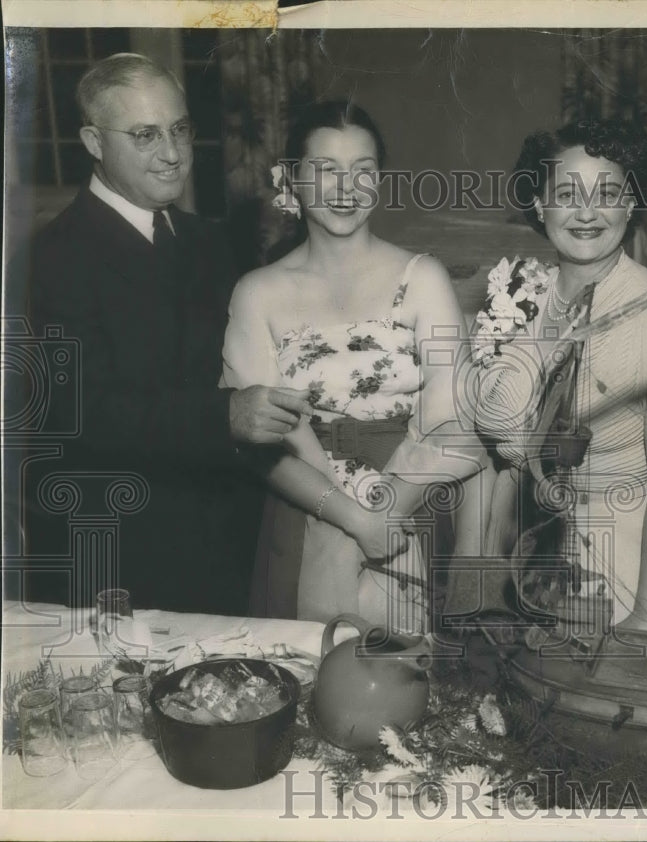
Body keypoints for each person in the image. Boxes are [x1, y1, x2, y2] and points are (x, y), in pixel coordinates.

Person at [20, 53, 310, 615]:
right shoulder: (48, 259)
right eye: (146, 136)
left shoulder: (209, 239)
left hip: (222, 546)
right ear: (93, 141)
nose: (174, 154)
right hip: (118, 560)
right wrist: (222, 415)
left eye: (179, 129)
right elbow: (82, 412)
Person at [222, 100, 485, 629]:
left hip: (410, 511)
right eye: (325, 170)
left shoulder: (423, 277)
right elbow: (252, 440)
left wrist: (384, 514)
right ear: (291, 179)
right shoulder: (258, 292)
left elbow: (454, 422)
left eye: (362, 171)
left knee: (410, 690)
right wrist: (351, 517)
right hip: (305, 512)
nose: (346, 189)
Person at [463, 119, 647, 631]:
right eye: (567, 193)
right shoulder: (523, 295)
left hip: (616, 573)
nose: (587, 212)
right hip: (520, 562)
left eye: (609, 194)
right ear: (539, 204)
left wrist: (646, 615)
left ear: (629, 206)